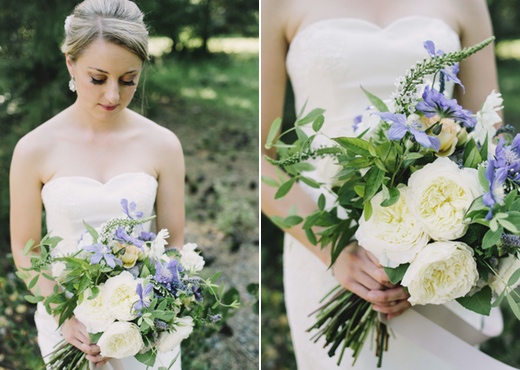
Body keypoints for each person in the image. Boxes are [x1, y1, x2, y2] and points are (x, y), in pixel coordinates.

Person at [261, 0, 509, 369]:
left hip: (442, 234)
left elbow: (490, 136)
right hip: (324, 238)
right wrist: (337, 254)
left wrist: (439, 247)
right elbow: (264, 158)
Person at [9, 0, 185, 368]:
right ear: (71, 63)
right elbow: (26, 253)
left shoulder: (163, 145)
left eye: (128, 81)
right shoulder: (33, 149)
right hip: (68, 324)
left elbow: (174, 242)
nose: (112, 96)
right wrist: (64, 316)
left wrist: (142, 316)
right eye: (98, 78)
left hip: (143, 326)